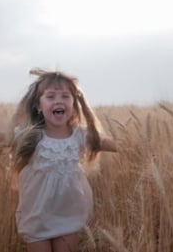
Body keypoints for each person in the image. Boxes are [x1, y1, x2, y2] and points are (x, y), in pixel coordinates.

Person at [9, 68, 117, 252]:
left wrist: (145, 142)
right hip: (36, 216)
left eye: (65, 96)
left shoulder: (80, 136)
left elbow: (114, 144)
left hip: (68, 215)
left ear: (75, 104)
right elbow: (2, 139)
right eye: (50, 97)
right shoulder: (31, 136)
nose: (58, 101)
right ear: (38, 105)